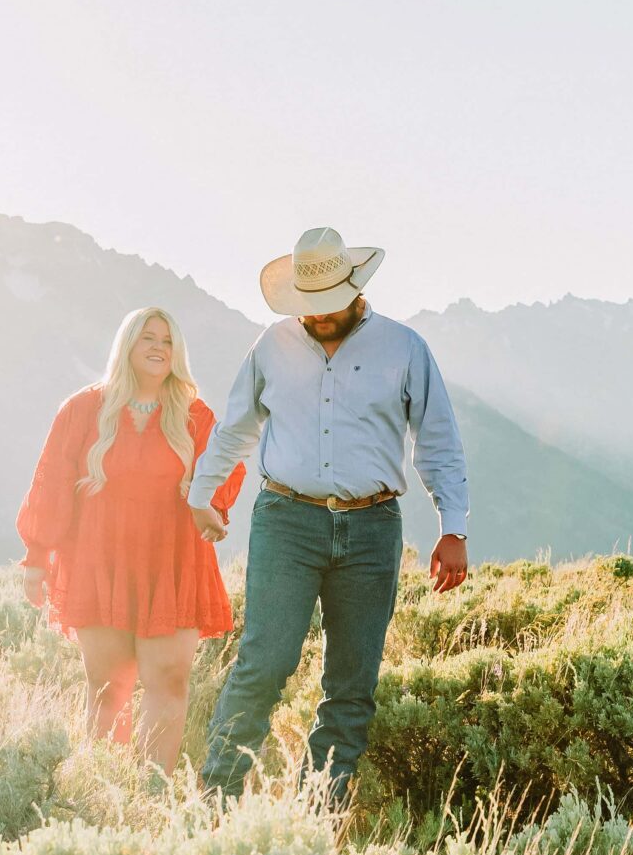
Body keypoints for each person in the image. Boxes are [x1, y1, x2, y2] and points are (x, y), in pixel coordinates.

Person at [189, 226, 468, 803]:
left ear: (354, 287)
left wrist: (453, 526)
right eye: (306, 307)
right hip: (287, 521)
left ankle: (319, 816)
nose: (316, 316)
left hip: (372, 528)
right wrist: (202, 493)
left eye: (326, 305)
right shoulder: (271, 345)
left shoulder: (404, 348)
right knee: (264, 663)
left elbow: (436, 439)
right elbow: (236, 427)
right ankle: (213, 801)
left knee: (352, 683)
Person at [18, 306, 247, 774]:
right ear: (127, 344)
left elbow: (228, 466)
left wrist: (211, 507)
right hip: (100, 559)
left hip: (174, 560)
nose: (158, 347)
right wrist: (37, 556)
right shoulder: (83, 409)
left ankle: (150, 793)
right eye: (148, 337)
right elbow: (52, 481)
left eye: (167, 340)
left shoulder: (195, 416)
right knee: (108, 687)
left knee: (170, 680)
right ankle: (106, 793)